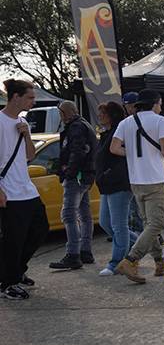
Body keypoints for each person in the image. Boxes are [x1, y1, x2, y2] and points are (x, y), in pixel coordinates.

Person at [110, 89, 164, 283]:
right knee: (157, 223)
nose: (161, 107)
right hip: (155, 179)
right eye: (160, 104)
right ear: (154, 103)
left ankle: (159, 263)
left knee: (149, 224)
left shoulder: (126, 122)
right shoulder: (160, 121)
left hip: (136, 181)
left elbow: (114, 148)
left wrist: (132, 154)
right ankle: (131, 259)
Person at [0, 79, 49, 299]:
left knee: (40, 229)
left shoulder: (22, 122)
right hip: (8, 190)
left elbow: (30, 155)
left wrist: (26, 134)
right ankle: (8, 283)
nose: (33, 102)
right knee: (13, 239)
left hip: (26, 188)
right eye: (30, 97)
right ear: (15, 97)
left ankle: (17, 271)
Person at [49, 100, 98, 270]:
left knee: (69, 214)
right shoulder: (84, 125)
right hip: (85, 176)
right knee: (84, 214)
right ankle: (85, 252)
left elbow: (78, 151)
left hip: (77, 177)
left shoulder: (76, 127)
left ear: (65, 113)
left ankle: (73, 254)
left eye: (61, 113)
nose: (60, 117)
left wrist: (68, 173)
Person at [95, 101, 131, 277]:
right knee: (105, 222)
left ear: (112, 115)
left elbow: (125, 156)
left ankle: (116, 263)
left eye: (103, 113)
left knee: (118, 225)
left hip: (118, 184)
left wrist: (109, 174)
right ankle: (140, 244)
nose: (99, 116)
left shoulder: (120, 132)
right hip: (107, 184)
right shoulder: (106, 134)